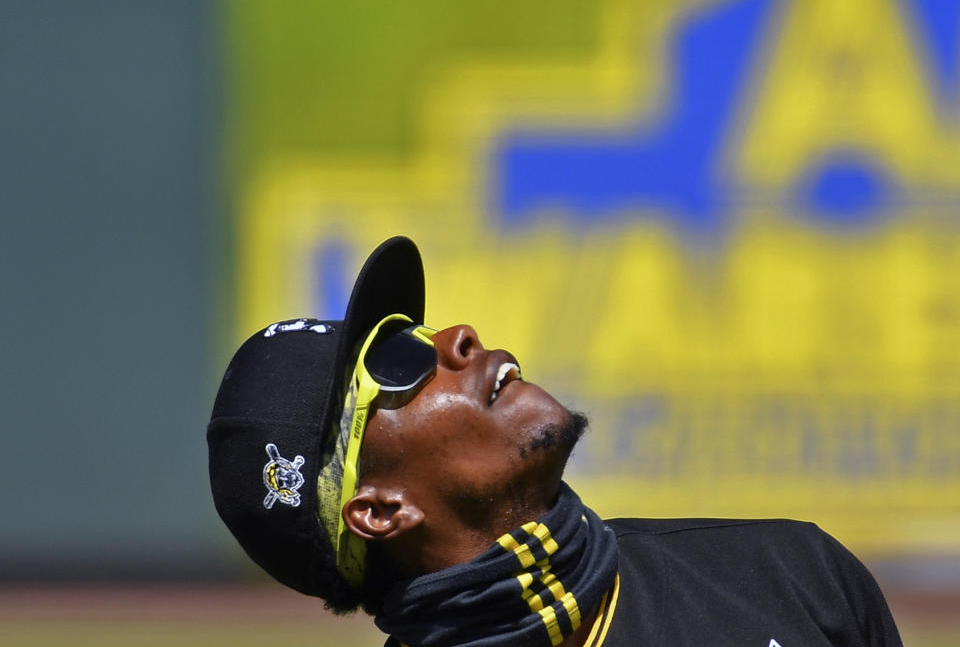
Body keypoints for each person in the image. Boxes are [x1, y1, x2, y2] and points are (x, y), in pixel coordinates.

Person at [208, 236, 904, 647]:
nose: (457, 337)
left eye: (418, 332)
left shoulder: (793, 576)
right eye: (397, 361)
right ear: (381, 510)